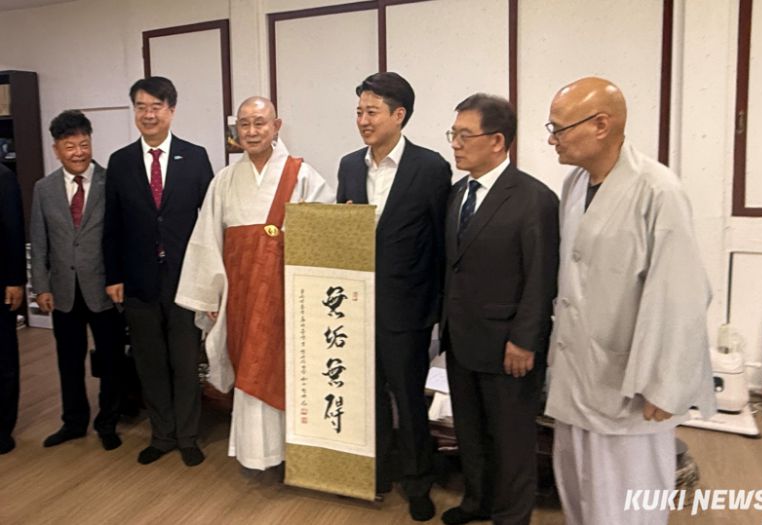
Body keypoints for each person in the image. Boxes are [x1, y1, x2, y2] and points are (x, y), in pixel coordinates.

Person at [544, 77, 716, 525]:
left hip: (630, 383)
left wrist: (666, 383)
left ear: (601, 124)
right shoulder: (574, 185)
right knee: (579, 489)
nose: (552, 138)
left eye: (560, 128)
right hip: (578, 370)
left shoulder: (658, 190)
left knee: (625, 499)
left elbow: (680, 294)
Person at [176, 97, 334, 470]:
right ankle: (255, 453)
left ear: (276, 126)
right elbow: (207, 238)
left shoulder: (303, 175)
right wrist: (209, 293)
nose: (251, 131)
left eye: (259, 123)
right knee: (249, 363)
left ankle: (295, 454)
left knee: (288, 369)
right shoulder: (225, 179)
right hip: (241, 294)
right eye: (244, 124)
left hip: (287, 296)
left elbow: (323, 233)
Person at [336, 72, 451, 521]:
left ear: (398, 115)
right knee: (368, 397)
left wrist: (438, 311)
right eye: (360, 111)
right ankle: (378, 473)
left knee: (408, 398)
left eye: (372, 111)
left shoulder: (430, 167)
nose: (363, 120)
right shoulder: (349, 165)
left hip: (408, 310)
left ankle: (418, 480)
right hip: (358, 307)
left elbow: (443, 245)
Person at [439, 93, 559, 525]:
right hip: (462, 339)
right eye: (453, 134)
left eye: (464, 135)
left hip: (509, 345)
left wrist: (525, 340)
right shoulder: (457, 195)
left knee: (512, 440)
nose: (455, 143)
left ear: (497, 141)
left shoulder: (533, 199)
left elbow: (541, 277)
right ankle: (477, 502)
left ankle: (512, 517)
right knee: (470, 432)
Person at [103, 76, 213, 466]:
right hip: (138, 280)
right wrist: (113, 276)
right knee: (150, 361)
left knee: (185, 360)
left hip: (186, 279)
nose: (148, 114)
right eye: (141, 106)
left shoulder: (195, 156)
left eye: (156, 107)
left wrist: (212, 282)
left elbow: (210, 223)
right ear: (134, 111)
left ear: (171, 111)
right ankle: (162, 435)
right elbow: (111, 224)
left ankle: (187, 436)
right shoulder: (119, 162)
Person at [30, 110, 125, 451]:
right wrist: (40, 286)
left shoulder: (110, 181)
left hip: (104, 287)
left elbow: (120, 235)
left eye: (84, 144)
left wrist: (119, 278)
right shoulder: (44, 188)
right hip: (63, 292)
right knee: (68, 361)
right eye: (69, 146)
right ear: (56, 149)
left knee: (111, 360)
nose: (78, 152)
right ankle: (73, 423)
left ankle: (108, 422)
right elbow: (39, 240)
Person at [0, 162, 25, 455]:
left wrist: (16, 280)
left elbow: (14, 230)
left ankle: (3, 427)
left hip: (2, 285)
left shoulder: (4, 178)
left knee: (3, 360)